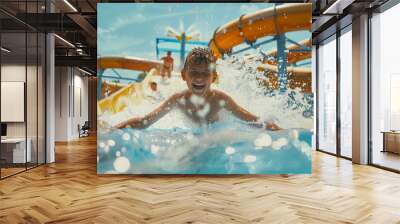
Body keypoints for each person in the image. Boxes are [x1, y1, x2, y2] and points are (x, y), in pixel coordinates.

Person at [115, 47, 281, 130]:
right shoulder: (178, 99)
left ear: (213, 77)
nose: (199, 77)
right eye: (193, 72)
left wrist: (276, 129)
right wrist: (114, 130)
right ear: (183, 76)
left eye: (205, 73)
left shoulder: (221, 100)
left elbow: (253, 120)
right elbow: (145, 122)